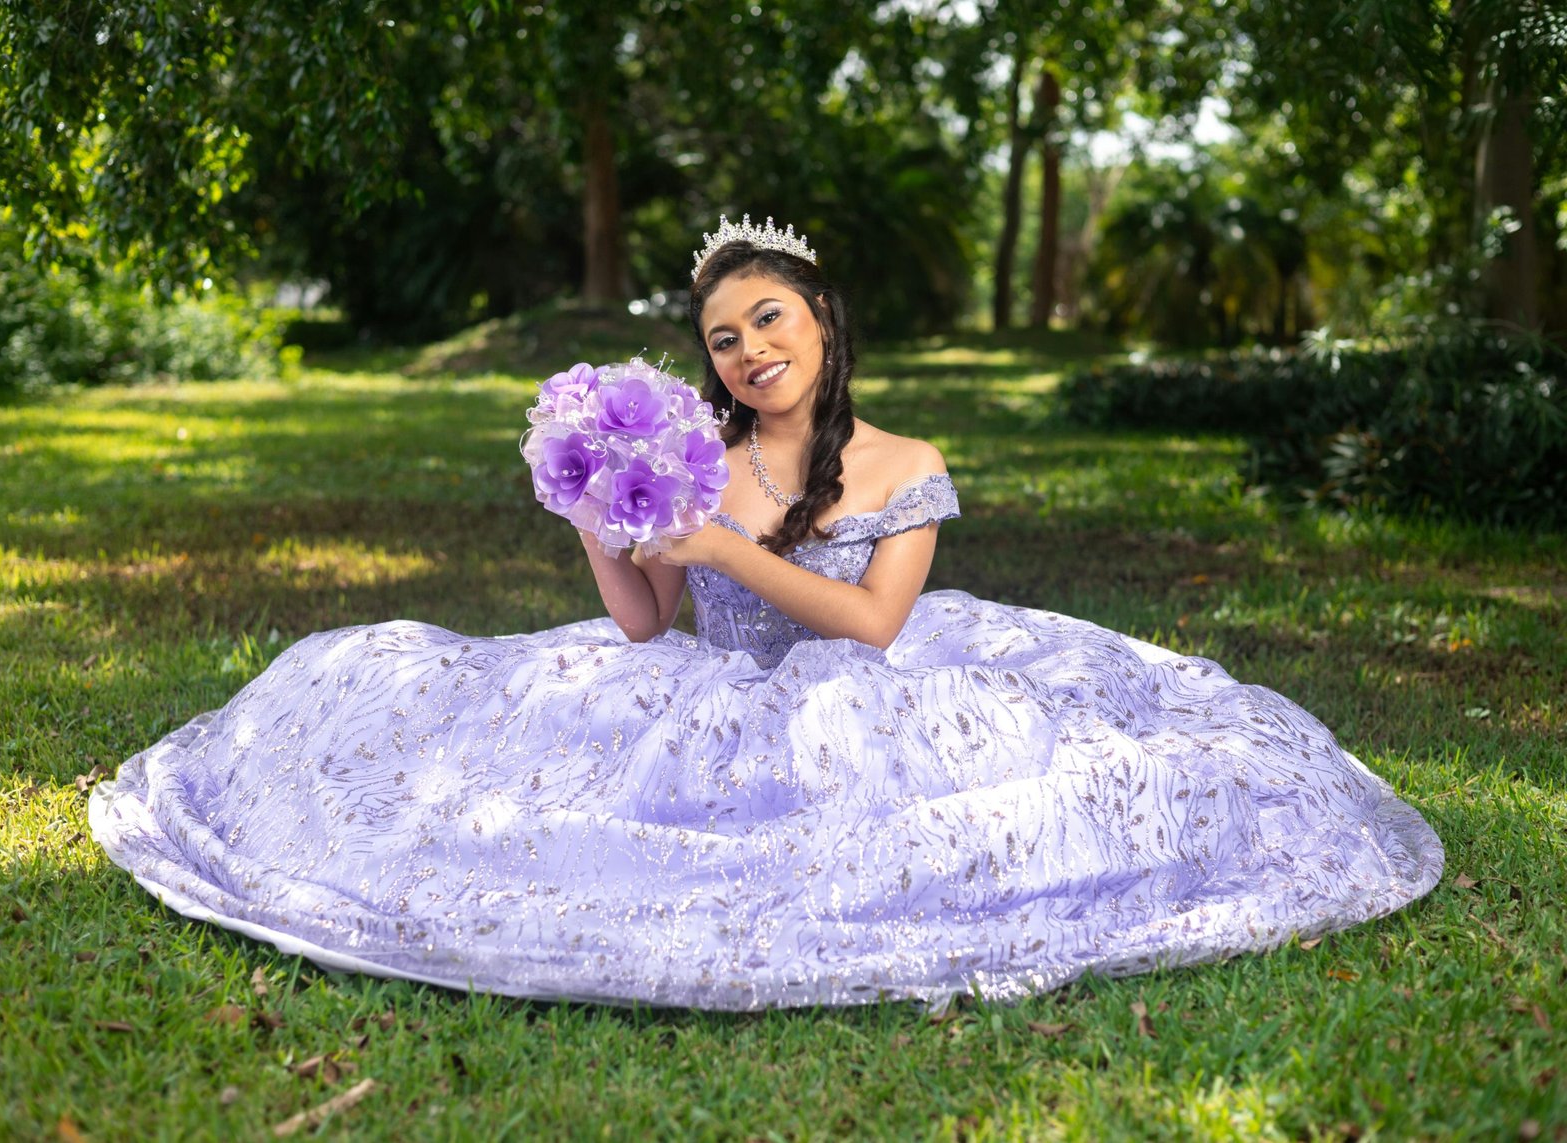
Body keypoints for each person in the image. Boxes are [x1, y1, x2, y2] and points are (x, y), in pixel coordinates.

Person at [90, 215, 1443, 1010]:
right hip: (717, 689)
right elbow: (640, 626)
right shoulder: (700, 456)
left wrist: (729, 546)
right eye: (724, 338)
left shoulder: (906, 467)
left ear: (821, 320)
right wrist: (595, 524)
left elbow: (871, 632)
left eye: (769, 318)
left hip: (879, 686)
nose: (749, 350)